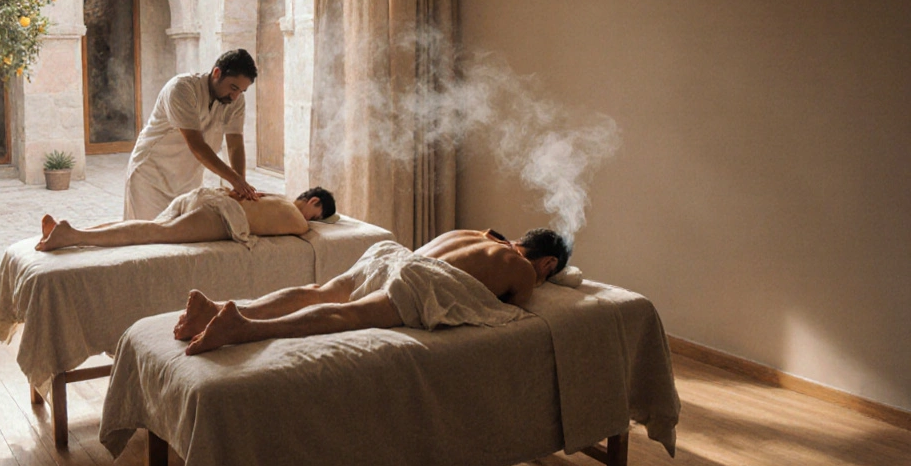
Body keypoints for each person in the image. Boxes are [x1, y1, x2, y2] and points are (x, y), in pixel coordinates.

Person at [174, 227, 572, 355]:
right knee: (348, 314)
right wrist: (538, 279)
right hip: (422, 277)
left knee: (319, 291)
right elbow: (519, 308)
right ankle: (243, 328)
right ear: (548, 263)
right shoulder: (523, 270)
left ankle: (214, 311)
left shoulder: (481, 234)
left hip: (392, 256)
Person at [123, 49, 259, 221]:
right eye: (233, 88)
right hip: (151, 177)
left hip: (188, 179)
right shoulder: (181, 89)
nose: (235, 96)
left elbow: (235, 144)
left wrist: (241, 185)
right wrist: (235, 180)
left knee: (182, 233)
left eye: (241, 91)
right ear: (217, 73)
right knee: (146, 233)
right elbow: (196, 145)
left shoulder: (235, 101)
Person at [36, 186, 337, 251]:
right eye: (317, 216)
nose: (313, 222)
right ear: (314, 202)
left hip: (206, 195)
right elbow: (304, 230)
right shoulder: (296, 218)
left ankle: (69, 231)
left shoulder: (277, 196)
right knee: (155, 233)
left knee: (152, 226)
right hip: (222, 214)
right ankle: (73, 236)